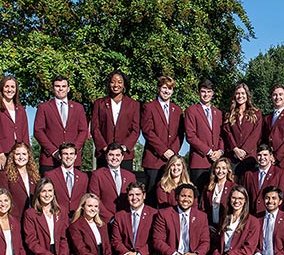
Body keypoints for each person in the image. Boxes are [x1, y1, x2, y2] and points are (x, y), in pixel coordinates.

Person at [141, 75, 185, 204]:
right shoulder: (149, 107)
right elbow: (147, 131)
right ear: (158, 88)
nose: (167, 91)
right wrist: (163, 150)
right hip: (154, 160)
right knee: (152, 195)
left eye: (170, 88)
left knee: (170, 195)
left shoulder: (177, 110)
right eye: (164, 88)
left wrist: (172, 153)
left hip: (171, 160)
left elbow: (180, 133)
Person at [33, 76, 88, 174]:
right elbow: (38, 131)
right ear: (52, 88)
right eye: (57, 86)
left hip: (72, 161)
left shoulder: (78, 108)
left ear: (68, 88)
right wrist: (54, 151)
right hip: (50, 160)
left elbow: (83, 131)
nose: (61, 89)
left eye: (63, 86)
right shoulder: (44, 107)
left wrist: (72, 151)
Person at [91, 71, 140, 171]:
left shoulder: (133, 104)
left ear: (124, 84)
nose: (116, 85)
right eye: (113, 82)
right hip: (104, 154)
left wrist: (123, 148)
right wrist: (104, 147)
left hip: (125, 155)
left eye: (119, 82)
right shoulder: (99, 103)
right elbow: (95, 128)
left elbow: (135, 130)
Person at [184, 79, 224, 193]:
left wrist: (220, 151)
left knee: (214, 195)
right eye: (203, 91)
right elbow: (190, 136)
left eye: (209, 91)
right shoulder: (191, 111)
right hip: (199, 161)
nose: (206, 94)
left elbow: (222, 135)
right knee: (198, 195)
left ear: (212, 93)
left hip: (216, 162)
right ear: (198, 93)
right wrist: (209, 152)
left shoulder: (218, 113)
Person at [0, 75, 30, 175]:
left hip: (18, 154)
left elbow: (25, 133)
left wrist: (27, 154)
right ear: (2, 88)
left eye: (12, 87)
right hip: (1, 153)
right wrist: (0, 154)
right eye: (7, 86)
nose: (10, 90)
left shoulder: (20, 109)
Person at [88, 143, 136, 223]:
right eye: (111, 155)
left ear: (122, 157)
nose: (114, 158)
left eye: (117, 155)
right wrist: (110, 218)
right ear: (106, 157)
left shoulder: (130, 176)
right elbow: (95, 199)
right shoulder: (97, 175)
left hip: (126, 220)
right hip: (104, 221)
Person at [221, 83, 262, 175]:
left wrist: (244, 150)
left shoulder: (256, 113)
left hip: (249, 156)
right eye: (238, 93)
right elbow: (227, 132)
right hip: (232, 157)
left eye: (243, 93)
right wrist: (235, 149)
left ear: (247, 95)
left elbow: (256, 134)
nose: (240, 96)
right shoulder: (229, 114)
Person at [0, 142, 40, 224]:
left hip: (33, 220)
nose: (21, 157)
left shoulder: (34, 175)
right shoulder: (4, 175)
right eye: (18, 154)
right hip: (15, 220)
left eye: (24, 154)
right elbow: (2, 199)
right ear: (13, 156)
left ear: (28, 156)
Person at [45, 142, 89, 219]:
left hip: (77, 219)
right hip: (57, 218)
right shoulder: (50, 175)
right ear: (60, 156)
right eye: (65, 154)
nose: (69, 157)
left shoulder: (83, 177)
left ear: (75, 156)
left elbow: (84, 198)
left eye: (71, 154)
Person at [242, 144, 284, 215]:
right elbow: (245, 197)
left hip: (270, 215)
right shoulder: (249, 174)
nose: (262, 157)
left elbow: (283, 197)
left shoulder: (280, 174)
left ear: (271, 157)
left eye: (265, 155)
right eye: (259, 155)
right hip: (253, 216)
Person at [202, 157, 235, 231]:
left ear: (228, 170)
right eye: (218, 168)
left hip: (226, 227)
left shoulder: (233, 187)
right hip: (211, 227)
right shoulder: (208, 187)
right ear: (214, 170)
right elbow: (203, 207)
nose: (220, 171)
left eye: (223, 168)